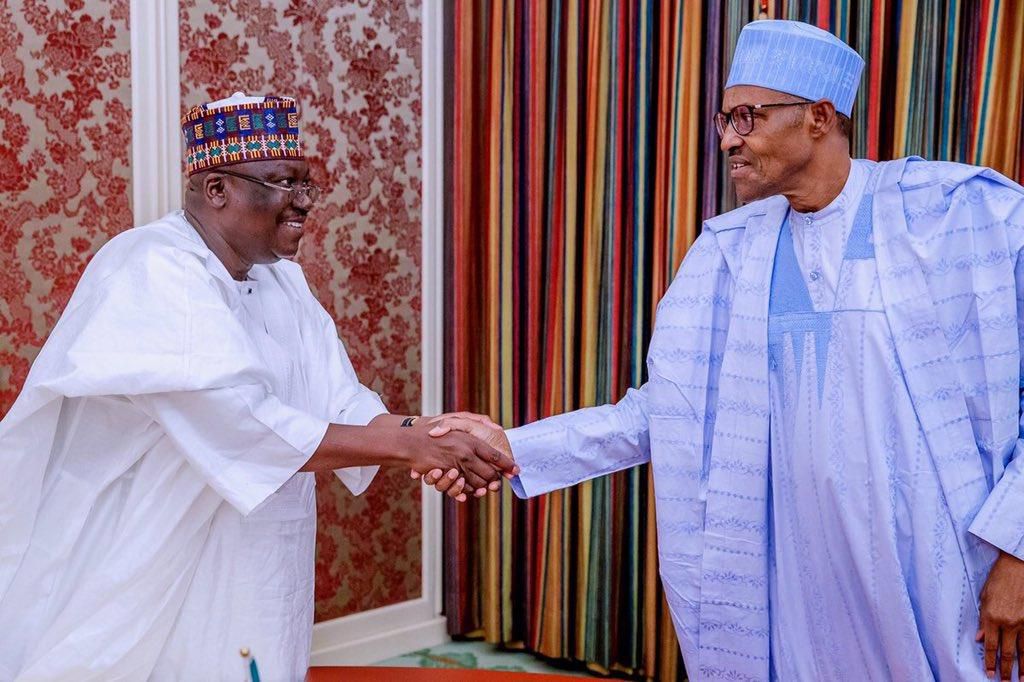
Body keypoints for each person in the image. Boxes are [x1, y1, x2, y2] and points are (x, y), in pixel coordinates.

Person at [431, 20, 1024, 681]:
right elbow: (664, 413)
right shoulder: (729, 254)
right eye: (723, 119)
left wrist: (1018, 552)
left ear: (820, 117)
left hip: (946, 584)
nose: (727, 140)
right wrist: (511, 446)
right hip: (800, 591)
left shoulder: (962, 215)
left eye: (746, 117)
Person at [0, 92, 516, 680]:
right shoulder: (153, 267)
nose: (302, 203)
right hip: (153, 544)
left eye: (305, 184)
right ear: (217, 189)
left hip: (261, 545)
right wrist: (412, 447)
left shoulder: (281, 281)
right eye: (280, 183)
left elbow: (339, 398)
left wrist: (423, 432)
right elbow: (242, 421)